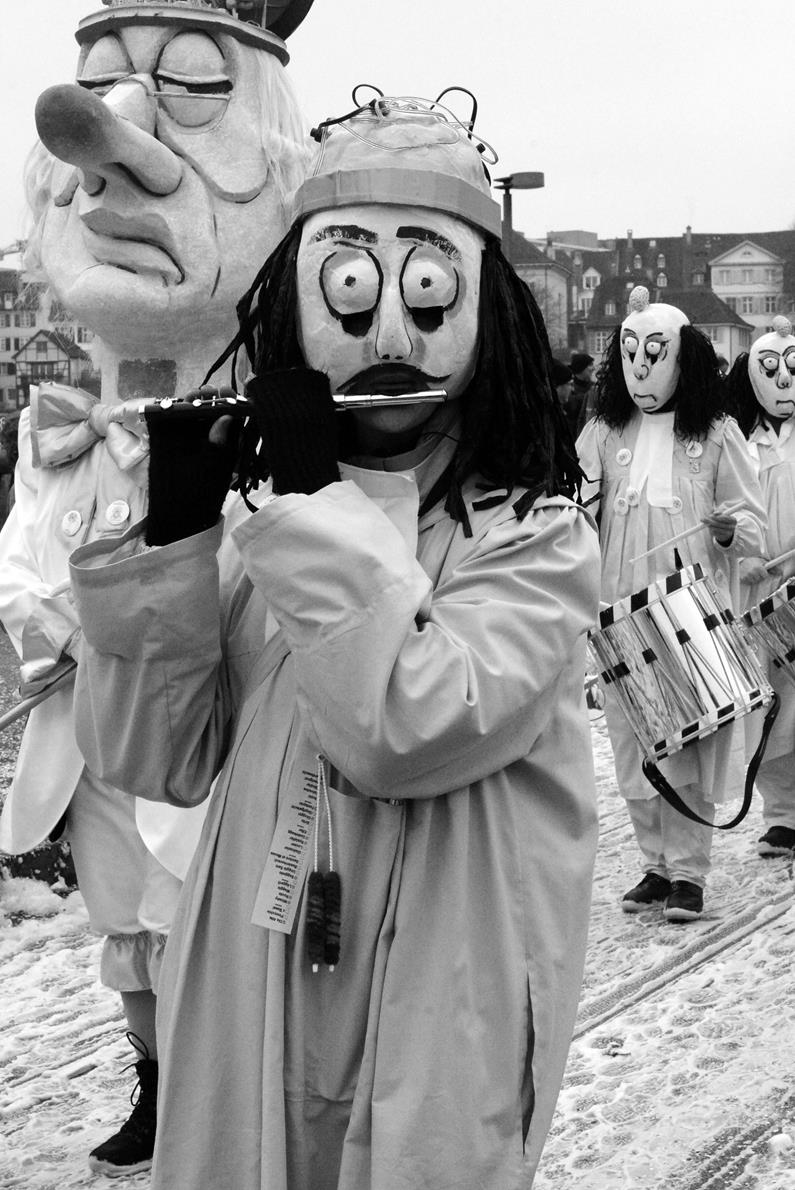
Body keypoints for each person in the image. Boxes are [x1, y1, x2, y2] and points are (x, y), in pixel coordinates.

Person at [67, 95, 601, 1189]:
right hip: (257, 975)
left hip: (435, 994)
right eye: (351, 288)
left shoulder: (535, 538)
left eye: (428, 291)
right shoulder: (268, 531)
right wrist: (174, 548)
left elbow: (406, 726)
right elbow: (153, 756)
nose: (391, 335)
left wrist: (309, 505)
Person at [0, 0, 310, 1175]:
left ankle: (235, 1089)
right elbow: (26, 557)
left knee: (218, 908)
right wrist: (52, 625)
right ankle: (161, 1077)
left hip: (219, 742)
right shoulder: (59, 428)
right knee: (127, 914)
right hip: (94, 731)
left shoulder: (281, 434)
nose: (112, 144)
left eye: (193, 85)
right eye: (99, 90)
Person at [577, 285, 766, 921]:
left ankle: (688, 872)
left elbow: (749, 518)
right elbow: (578, 508)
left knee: (688, 741)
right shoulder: (604, 431)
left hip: (688, 611)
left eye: (654, 354)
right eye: (630, 354)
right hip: (618, 610)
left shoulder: (716, 434)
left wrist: (729, 530)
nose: (641, 368)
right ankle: (654, 865)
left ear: (683, 358)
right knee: (632, 741)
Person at [726, 315, 795, 857]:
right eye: (769, 370)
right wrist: (743, 553)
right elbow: (728, 506)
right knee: (771, 703)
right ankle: (783, 813)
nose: (783, 381)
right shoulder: (739, 439)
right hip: (756, 588)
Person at [568, 350, 595, 434]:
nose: (593, 368)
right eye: (590, 365)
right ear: (581, 368)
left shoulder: (594, 388)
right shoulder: (568, 388)